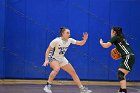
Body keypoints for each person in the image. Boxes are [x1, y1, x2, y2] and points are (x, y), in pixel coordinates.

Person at [43, 27, 92, 93]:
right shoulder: (56, 40)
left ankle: (82, 88)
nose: (69, 34)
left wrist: (85, 40)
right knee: (57, 69)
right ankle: (47, 86)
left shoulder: (70, 40)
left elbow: (80, 43)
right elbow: (48, 50)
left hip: (62, 58)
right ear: (62, 34)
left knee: (73, 72)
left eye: (69, 33)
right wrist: (46, 60)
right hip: (53, 58)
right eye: (67, 33)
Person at [100, 27, 135, 93]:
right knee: (122, 75)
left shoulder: (115, 37)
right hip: (129, 57)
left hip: (128, 56)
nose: (111, 33)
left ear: (114, 32)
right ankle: (121, 90)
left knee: (120, 73)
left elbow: (106, 45)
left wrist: (101, 43)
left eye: (111, 32)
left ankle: (123, 91)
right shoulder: (121, 38)